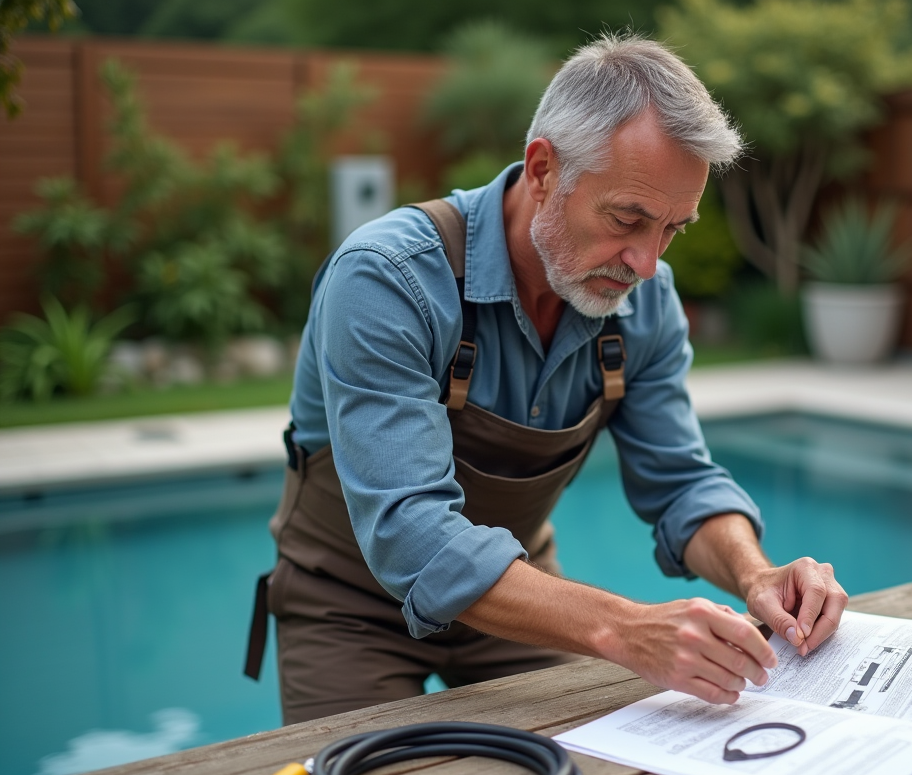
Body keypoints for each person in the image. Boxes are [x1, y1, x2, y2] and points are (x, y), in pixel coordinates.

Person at [245, 32, 848, 726]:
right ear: (541, 171)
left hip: (523, 602)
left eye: (673, 229)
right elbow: (411, 532)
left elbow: (680, 480)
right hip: (348, 608)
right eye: (629, 219)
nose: (647, 264)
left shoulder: (644, 302)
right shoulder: (388, 279)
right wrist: (623, 627)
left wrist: (755, 572)